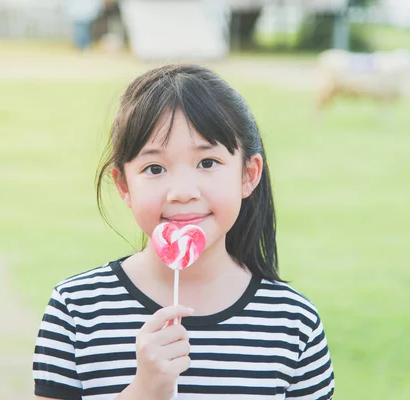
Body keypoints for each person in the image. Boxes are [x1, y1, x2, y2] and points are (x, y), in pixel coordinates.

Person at [33, 64, 335, 399]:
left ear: (248, 175)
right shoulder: (77, 309)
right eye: (155, 168)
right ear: (124, 186)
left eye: (207, 163)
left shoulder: (293, 323)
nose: (182, 191)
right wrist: (143, 391)